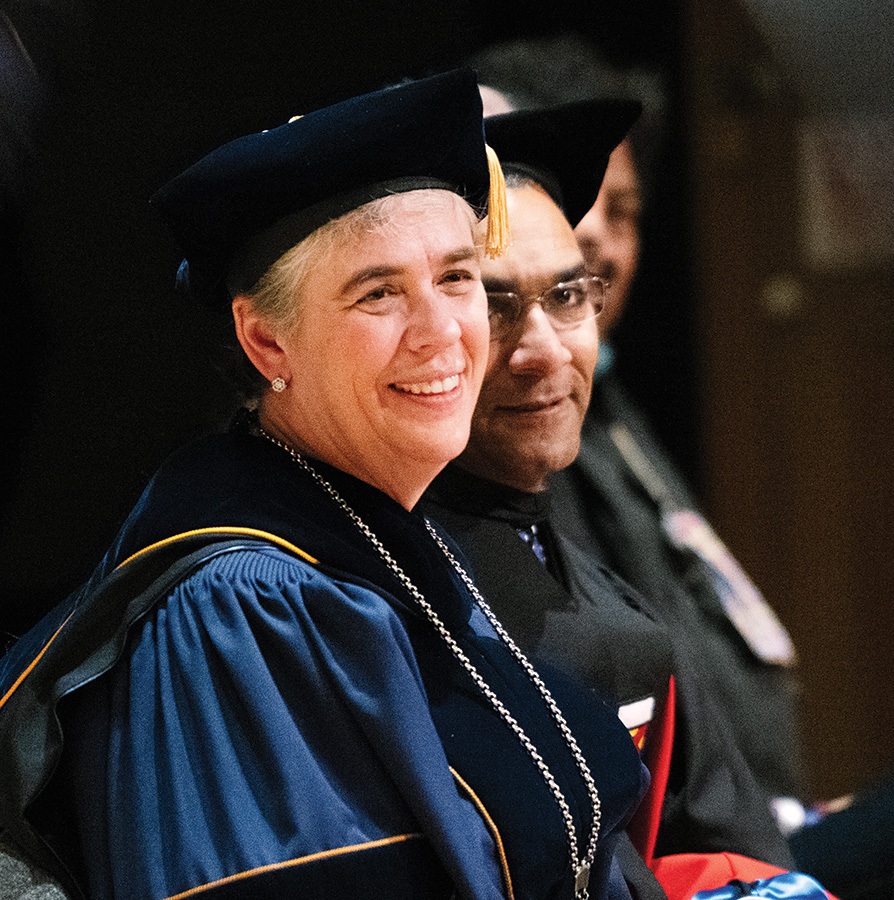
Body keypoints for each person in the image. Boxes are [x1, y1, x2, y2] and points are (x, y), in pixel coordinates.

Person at [0, 70, 652, 900]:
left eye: (457, 279)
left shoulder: (393, 541)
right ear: (268, 345)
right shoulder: (240, 608)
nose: (441, 333)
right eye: (378, 293)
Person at [422, 100, 796, 874]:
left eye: (566, 298)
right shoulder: (370, 589)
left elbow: (728, 839)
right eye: (492, 306)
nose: (544, 353)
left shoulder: (580, 570)